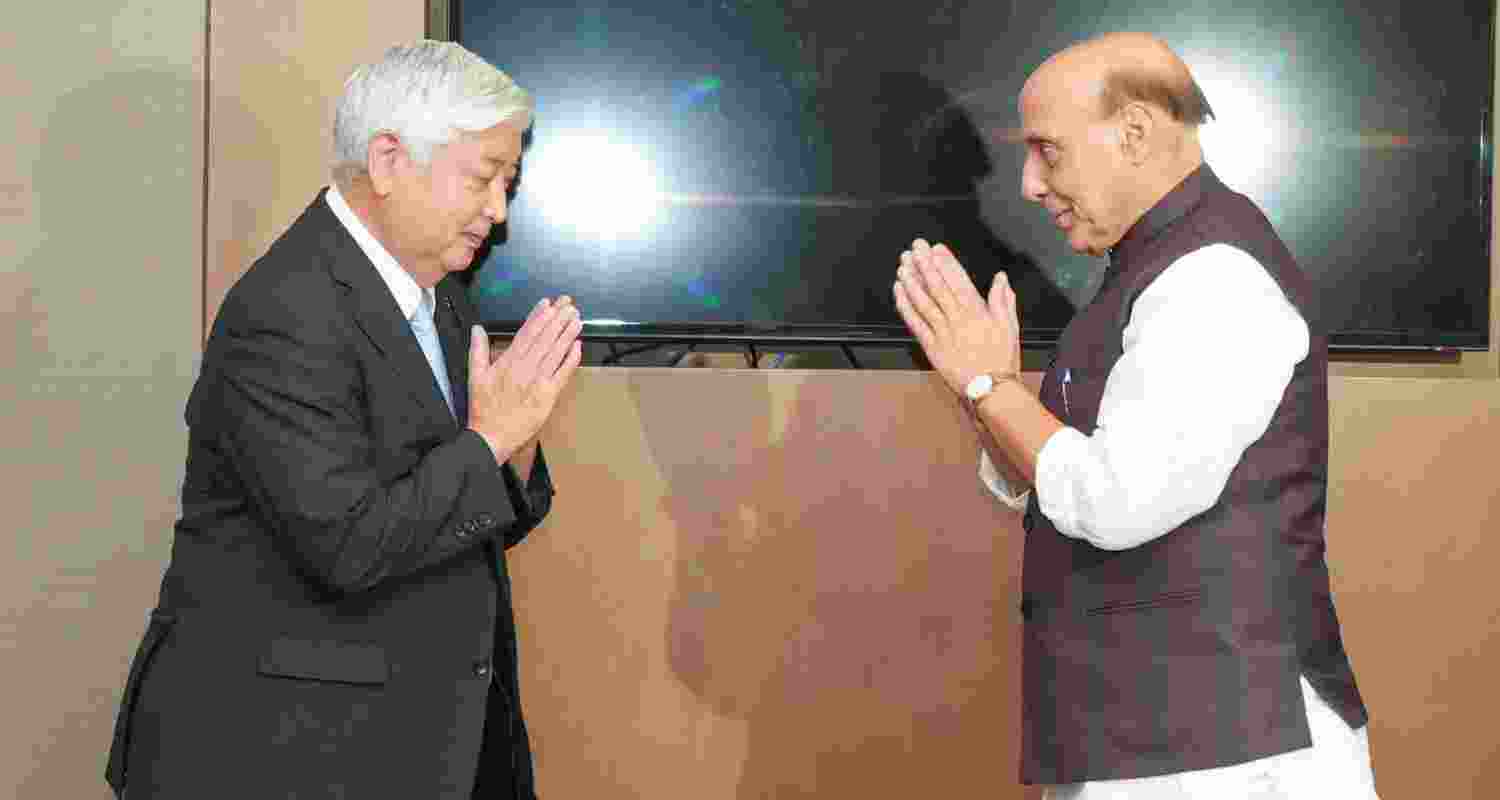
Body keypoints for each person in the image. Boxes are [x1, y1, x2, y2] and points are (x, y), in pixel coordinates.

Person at [893, 32, 1378, 799]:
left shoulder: (1212, 277)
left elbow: (1115, 501)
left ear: (1137, 133)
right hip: (1154, 741)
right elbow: (1057, 477)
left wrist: (990, 385)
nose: (1027, 183)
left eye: (1047, 152)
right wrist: (988, 392)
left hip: (1224, 757)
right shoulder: (1147, 268)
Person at [104, 41, 581, 799]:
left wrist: (513, 441)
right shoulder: (284, 311)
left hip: (419, 738)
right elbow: (350, 544)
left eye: (508, 183)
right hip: (282, 753)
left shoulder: (441, 292)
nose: (498, 211)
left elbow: (472, 513)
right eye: (485, 179)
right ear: (389, 161)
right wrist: (492, 435)